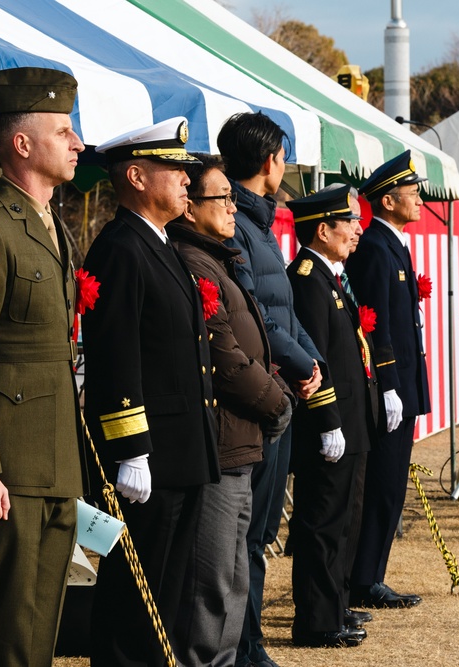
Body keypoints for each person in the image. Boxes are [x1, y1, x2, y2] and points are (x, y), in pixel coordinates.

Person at [0, 67, 88, 667]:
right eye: (64, 131)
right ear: (23, 144)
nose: (78, 143)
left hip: (56, 461)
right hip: (8, 466)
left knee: (39, 632)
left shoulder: (54, 226)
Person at [82, 117, 220, 667]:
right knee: (135, 597)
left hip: (180, 450)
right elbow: (118, 356)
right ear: (136, 176)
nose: (188, 179)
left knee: (163, 593)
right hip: (150, 455)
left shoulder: (158, 243)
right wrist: (130, 449)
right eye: (175, 169)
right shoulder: (121, 247)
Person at [168, 154, 292, 667]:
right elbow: (225, 354)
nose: (232, 208)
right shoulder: (194, 261)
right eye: (221, 197)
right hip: (221, 439)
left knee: (235, 577)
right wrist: (276, 400)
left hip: (239, 440)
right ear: (190, 207)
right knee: (212, 586)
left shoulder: (217, 256)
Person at [217, 111, 322, 667]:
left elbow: (283, 309)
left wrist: (311, 359)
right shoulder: (236, 223)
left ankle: (250, 644)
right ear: (269, 161)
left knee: (258, 533)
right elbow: (255, 311)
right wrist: (301, 360)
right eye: (283, 156)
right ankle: (245, 648)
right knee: (248, 534)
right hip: (258, 394)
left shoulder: (258, 224)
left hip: (277, 385)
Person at [285, 185, 379, 648]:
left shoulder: (331, 275)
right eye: (350, 223)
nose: (358, 231)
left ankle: (336, 605)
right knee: (322, 523)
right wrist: (327, 422)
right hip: (330, 424)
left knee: (347, 519)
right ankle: (317, 621)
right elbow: (312, 360)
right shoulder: (306, 277)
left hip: (352, 422)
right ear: (322, 230)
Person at [341, 150, 430, 610]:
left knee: (391, 484)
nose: (420, 201)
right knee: (381, 485)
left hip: (404, 384)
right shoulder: (376, 247)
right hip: (389, 386)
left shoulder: (392, 244)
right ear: (389, 201)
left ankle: (371, 573)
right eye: (412, 194)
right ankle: (364, 578)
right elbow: (375, 325)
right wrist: (389, 384)